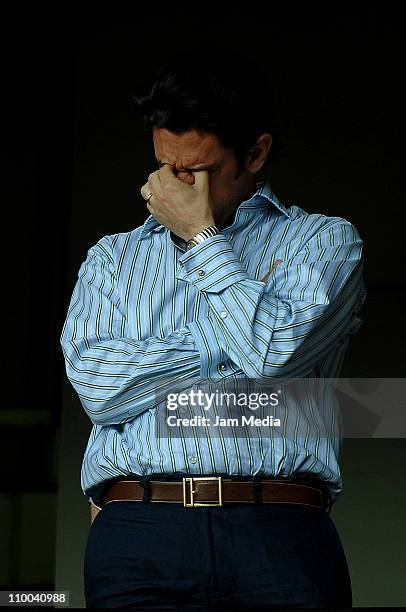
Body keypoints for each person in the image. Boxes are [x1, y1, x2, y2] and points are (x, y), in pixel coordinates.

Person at [60, 48, 366, 609]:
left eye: (193, 172)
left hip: (279, 530)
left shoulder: (326, 242)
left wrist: (202, 238)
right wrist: (235, 344)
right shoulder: (111, 258)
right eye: (162, 165)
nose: (169, 187)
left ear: (254, 153)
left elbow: (273, 358)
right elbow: (101, 391)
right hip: (139, 530)